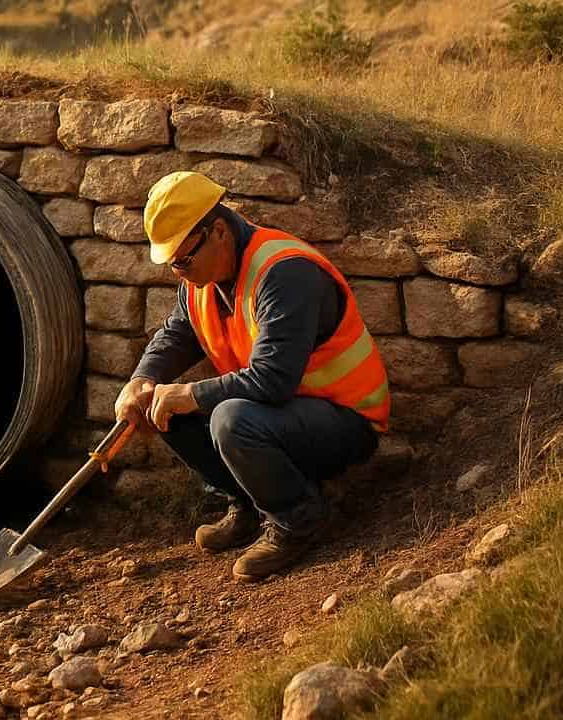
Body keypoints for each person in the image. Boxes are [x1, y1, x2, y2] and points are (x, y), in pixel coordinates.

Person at [114, 170, 389, 581]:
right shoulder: (201, 279)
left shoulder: (285, 273)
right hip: (285, 417)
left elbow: (272, 381)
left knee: (231, 420)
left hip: (345, 420)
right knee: (161, 405)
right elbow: (177, 333)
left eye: (183, 260)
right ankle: (246, 502)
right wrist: (142, 382)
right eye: (171, 263)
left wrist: (188, 393)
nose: (178, 271)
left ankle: (298, 519)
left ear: (219, 231)